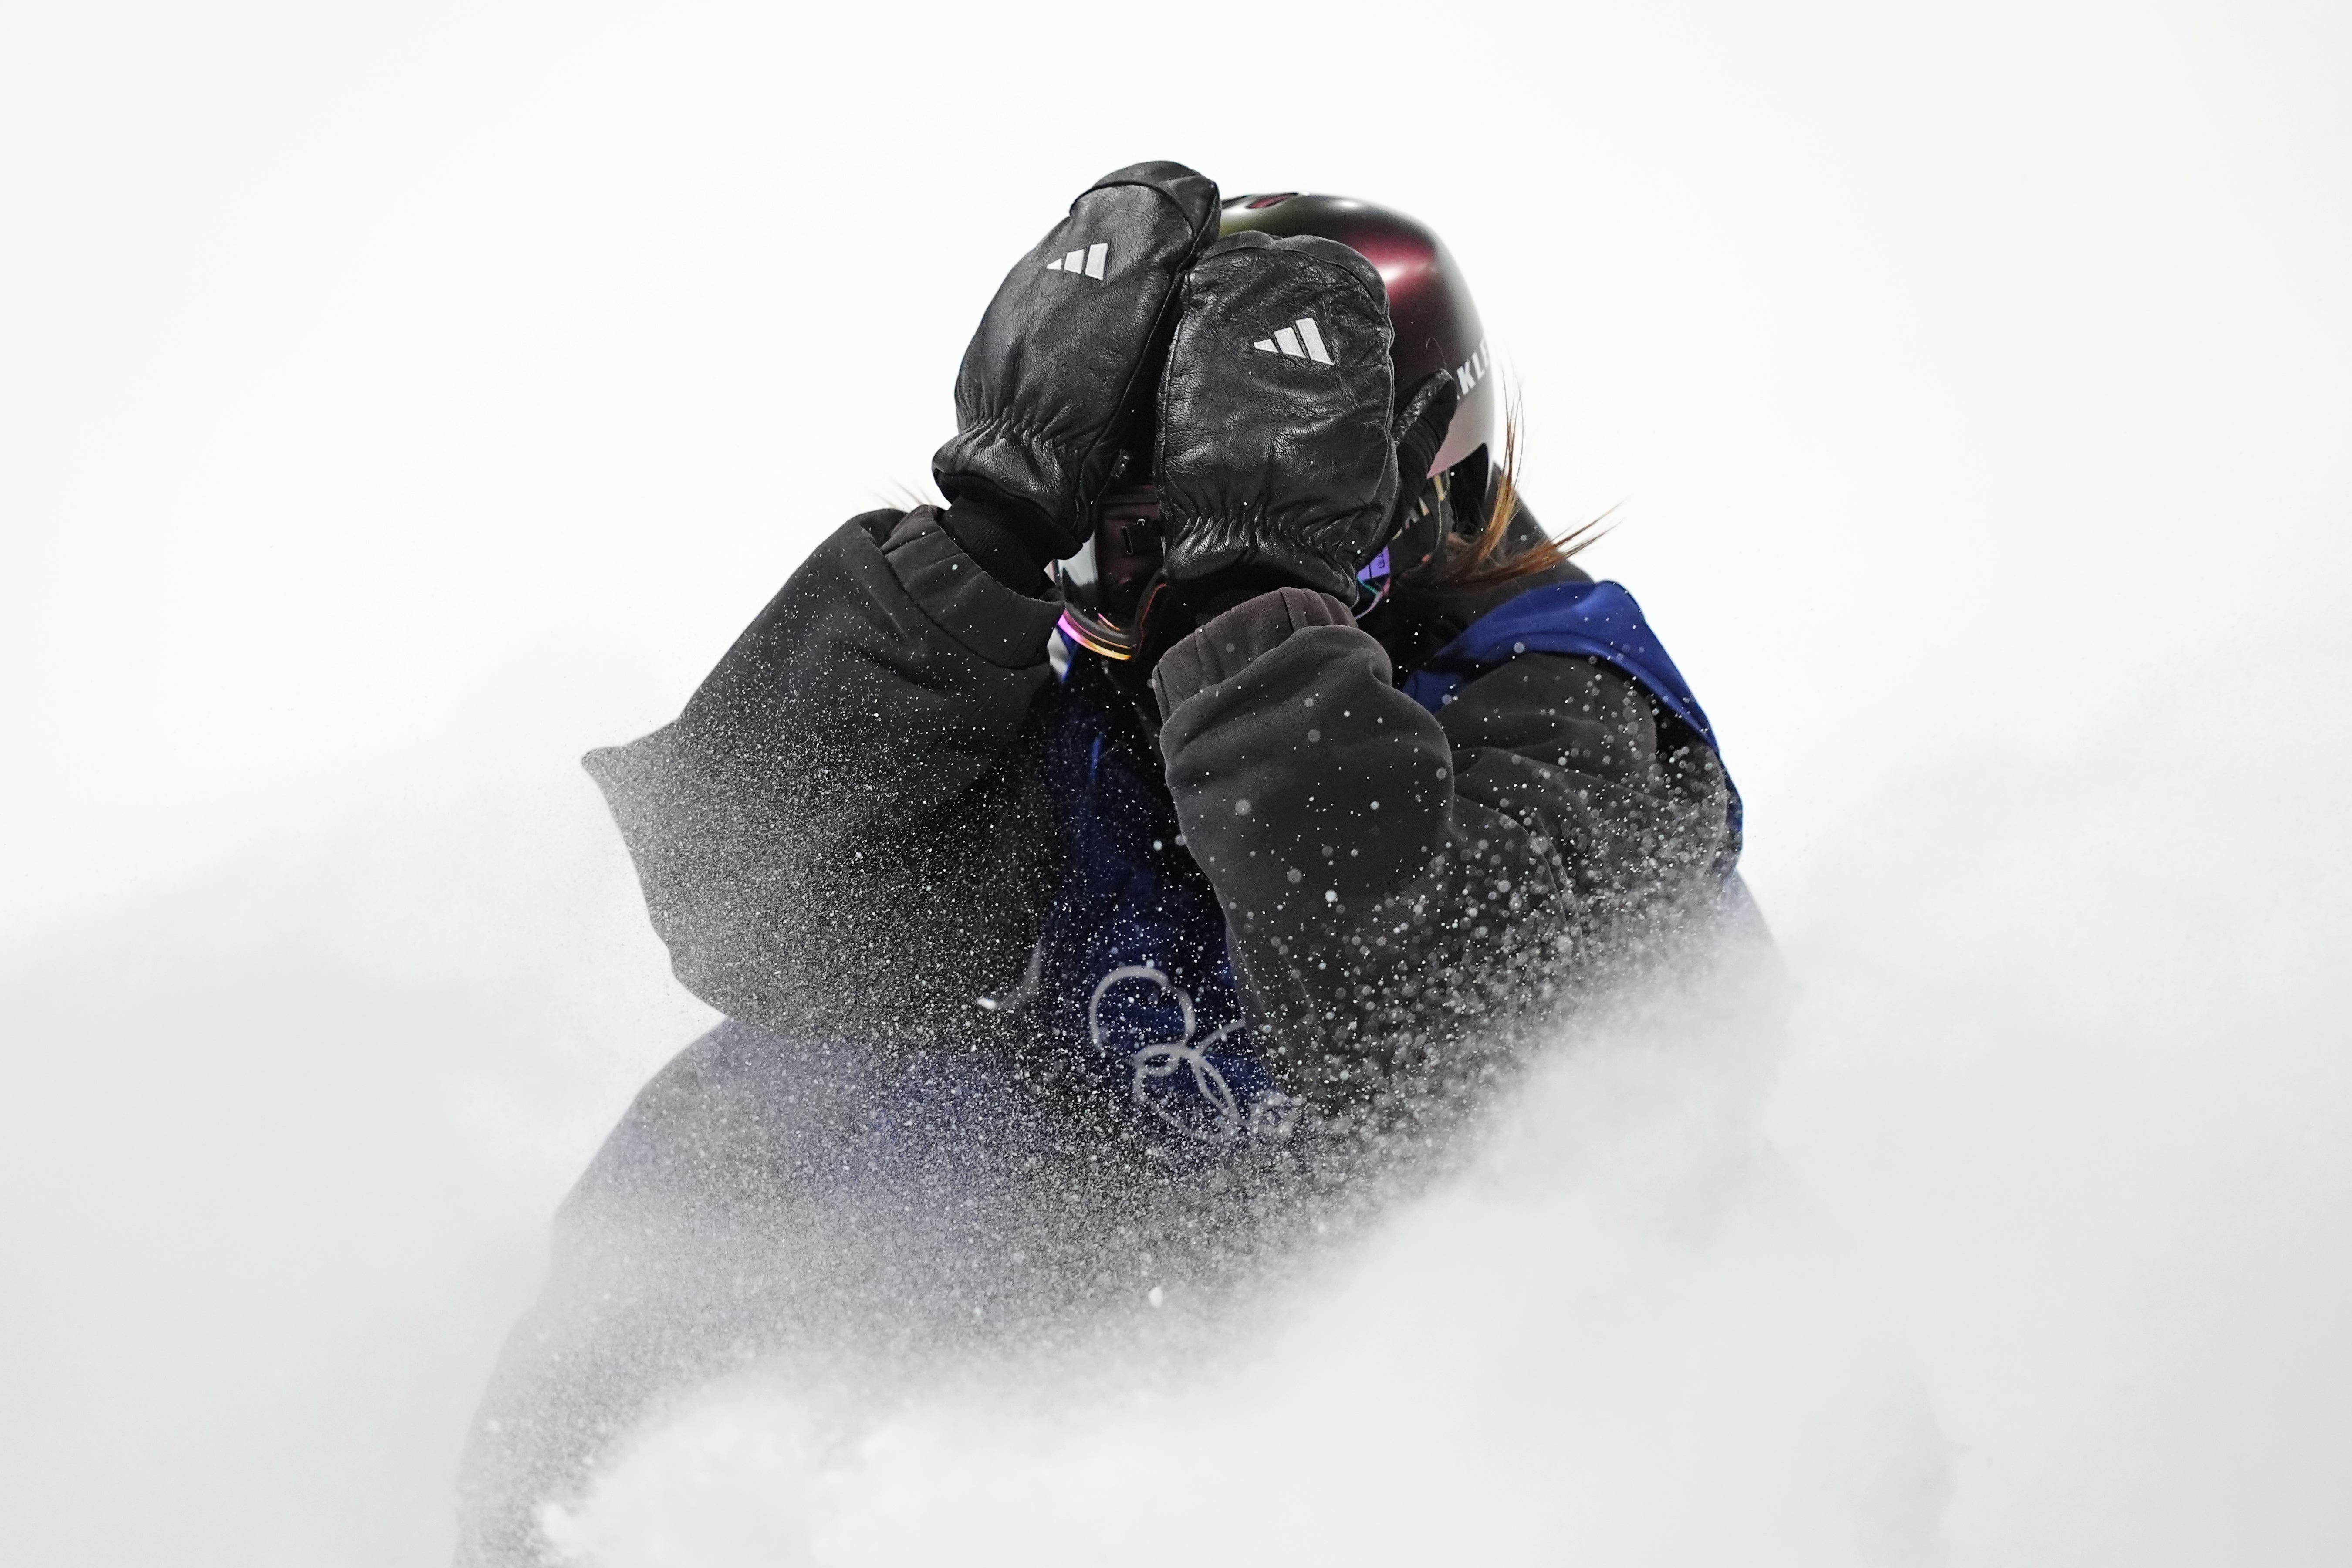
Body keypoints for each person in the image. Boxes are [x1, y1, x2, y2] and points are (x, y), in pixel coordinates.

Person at [454, 161, 1749, 1564]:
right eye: (1118, 543)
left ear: (1416, 497)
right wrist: (989, 536)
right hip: (1083, 1265)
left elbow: (1427, 1049)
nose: (1155, 607)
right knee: (766, 1113)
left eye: (1223, 529)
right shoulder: (1069, 697)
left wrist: (1258, 612)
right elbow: (739, 905)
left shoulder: (1576, 718)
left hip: (1449, 1348)